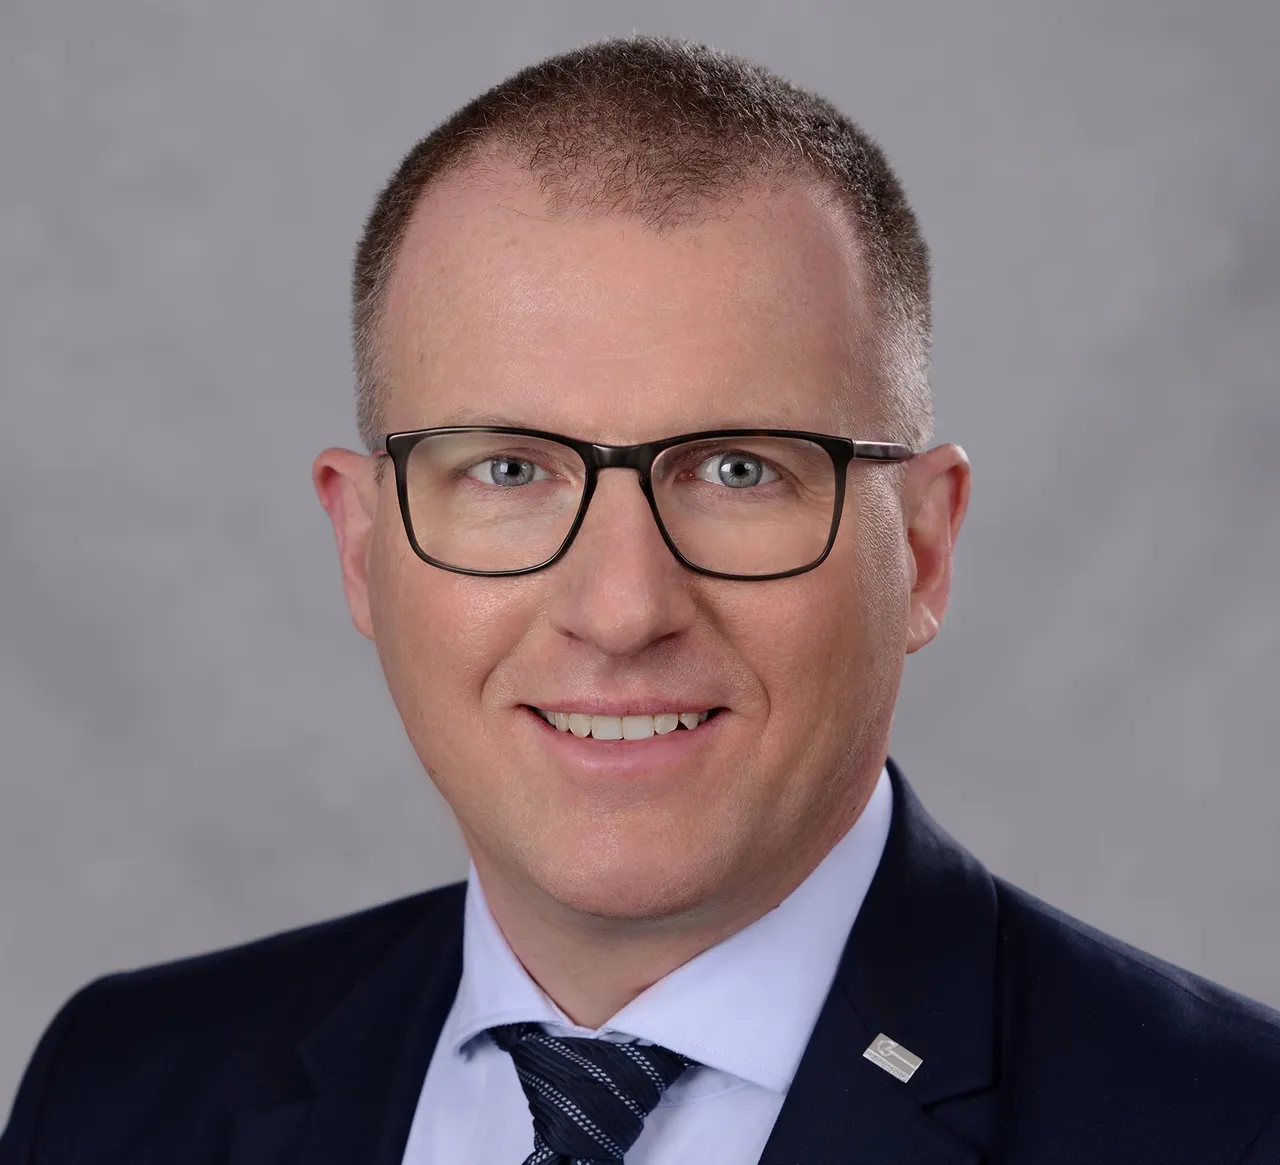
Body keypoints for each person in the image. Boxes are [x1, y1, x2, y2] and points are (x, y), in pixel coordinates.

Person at [3, 35, 1278, 1165]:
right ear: (361, 547)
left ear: (922, 549)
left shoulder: (1229, 1127)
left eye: (738, 470)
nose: (620, 610)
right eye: (508, 470)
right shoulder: (119, 1091)